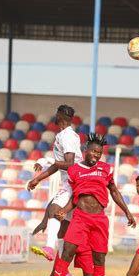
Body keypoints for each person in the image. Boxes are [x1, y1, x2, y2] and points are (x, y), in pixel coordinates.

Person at [45, 133, 136, 276]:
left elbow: (114, 191)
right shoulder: (74, 170)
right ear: (86, 150)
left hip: (99, 220)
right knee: (67, 253)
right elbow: (73, 197)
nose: (96, 155)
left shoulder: (105, 169)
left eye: (99, 153)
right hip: (80, 218)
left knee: (99, 259)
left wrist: (127, 211)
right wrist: (64, 210)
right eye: (93, 151)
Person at [27, 104, 83, 262]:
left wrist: (41, 175)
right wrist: (40, 175)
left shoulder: (67, 136)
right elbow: (61, 163)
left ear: (59, 116)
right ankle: (63, 269)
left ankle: (49, 248)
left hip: (74, 182)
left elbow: (70, 163)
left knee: (54, 210)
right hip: (72, 182)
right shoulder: (64, 135)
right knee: (62, 229)